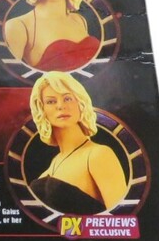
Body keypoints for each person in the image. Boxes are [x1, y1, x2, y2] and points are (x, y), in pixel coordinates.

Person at [27, 71, 127, 214]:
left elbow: (122, 219)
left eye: (67, 98)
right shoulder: (54, 163)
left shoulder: (98, 155)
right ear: (42, 110)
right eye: (51, 101)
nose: (60, 106)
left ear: (80, 103)